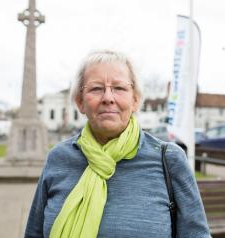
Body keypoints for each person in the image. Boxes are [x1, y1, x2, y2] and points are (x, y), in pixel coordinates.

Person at [24, 50, 211, 238]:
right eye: (96, 88)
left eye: (119, 88)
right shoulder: (59, 158)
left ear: (135, 100)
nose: (108, 97)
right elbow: (34, 233)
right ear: (80, 102)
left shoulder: (169, 159)